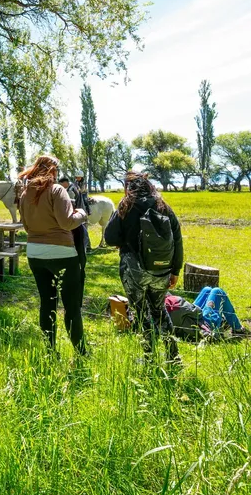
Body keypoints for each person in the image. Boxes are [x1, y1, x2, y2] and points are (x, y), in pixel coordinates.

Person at [104, 172, 183, 367]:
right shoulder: (163, 206)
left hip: (134, 269)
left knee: (140, 313)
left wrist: (125, 241)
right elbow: (178, 239)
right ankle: (173, 356)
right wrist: (176, 270)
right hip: (162, 270)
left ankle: (149, 358)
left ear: (128, 188)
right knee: (159, 310)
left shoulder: (125, 205)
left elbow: (110, 237)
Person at [18, 155, 89, 355]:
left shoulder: (24, 195)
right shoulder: (57, 190)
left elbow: (26, 226)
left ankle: (50, 351)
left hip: (35, 254)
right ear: (53, 171)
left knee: (47, 303)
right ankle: (81, 352)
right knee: (71, 305)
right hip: (62, 253)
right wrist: (82, 213)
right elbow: (67, 222)